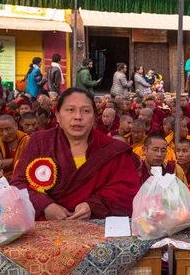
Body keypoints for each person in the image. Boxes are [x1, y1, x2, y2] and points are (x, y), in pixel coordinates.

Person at [11, 87, 140, 220]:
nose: (78, 117)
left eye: (85, 111)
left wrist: (93, 205)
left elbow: (126, 189)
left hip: (96, 229)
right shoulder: (40, 142)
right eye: (70, 110)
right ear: (58, 116)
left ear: (94, 118)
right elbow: (19, 184)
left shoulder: (113, 150)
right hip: (46, 227)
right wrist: (45, 205)